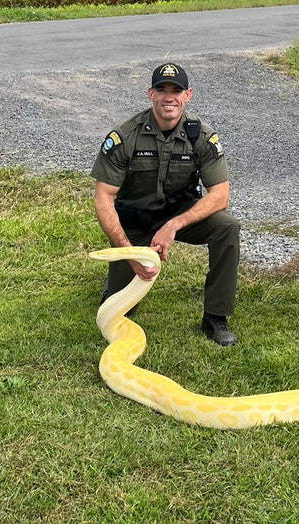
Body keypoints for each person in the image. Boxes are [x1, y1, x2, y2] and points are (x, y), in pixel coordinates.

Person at [90, 62, 240, 346]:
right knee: (117, 311)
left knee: (227, 228)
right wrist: (127, 252)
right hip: (135, 223)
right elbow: (103, 198)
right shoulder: (125, 137)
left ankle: (216, 318)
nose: (169, 97)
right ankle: (117, 280)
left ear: (188, 95)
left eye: (176, 90)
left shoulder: (203, 137)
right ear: (150, 94)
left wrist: (173, 225)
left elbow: (220, 195)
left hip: (178, 216)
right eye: (162, 89)